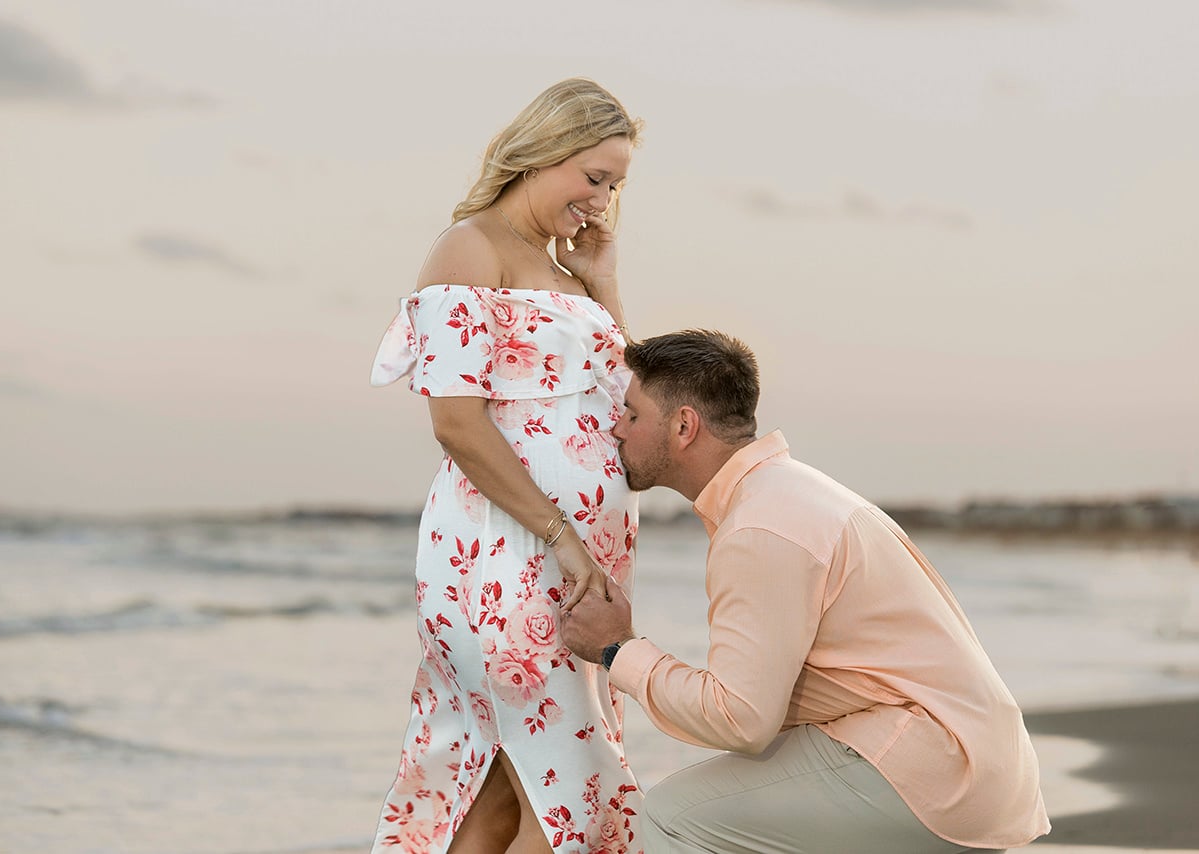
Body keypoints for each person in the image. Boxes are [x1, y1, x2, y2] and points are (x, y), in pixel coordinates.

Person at [560, 330, 1051, 853]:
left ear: (684, 426)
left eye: (632, 414)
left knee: (668, 818)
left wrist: (618, 650)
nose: (615, 428)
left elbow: (740, 718)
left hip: (936, 772)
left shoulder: (760, 527)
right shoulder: (785, 494)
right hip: (973, 766)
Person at [368, 79, 645, 853]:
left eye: (615, 184)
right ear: (541, 153)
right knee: (571, 800)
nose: (602, 198)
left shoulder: (562, 270)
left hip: (573, 554)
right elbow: (456, 423)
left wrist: (604, 280)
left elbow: (627, 393)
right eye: (593, 177)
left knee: (496, 792)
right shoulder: (471, 247)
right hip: (509, 551)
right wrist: (562, 537)